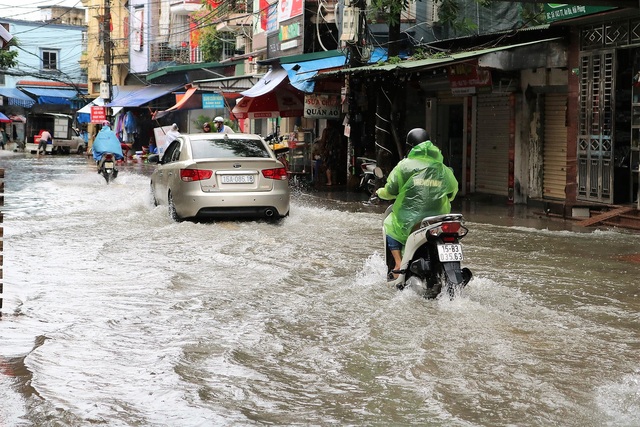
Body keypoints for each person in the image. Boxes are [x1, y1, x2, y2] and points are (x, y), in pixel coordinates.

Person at [376, 128, 459, 280]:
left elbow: (391, 190)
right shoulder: (442, 168)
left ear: (410, 147)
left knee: (389, 222)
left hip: (410, 221)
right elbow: (453, 192)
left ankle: (398, 264)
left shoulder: (403, 166)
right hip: (437, 219)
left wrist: (379, 192)